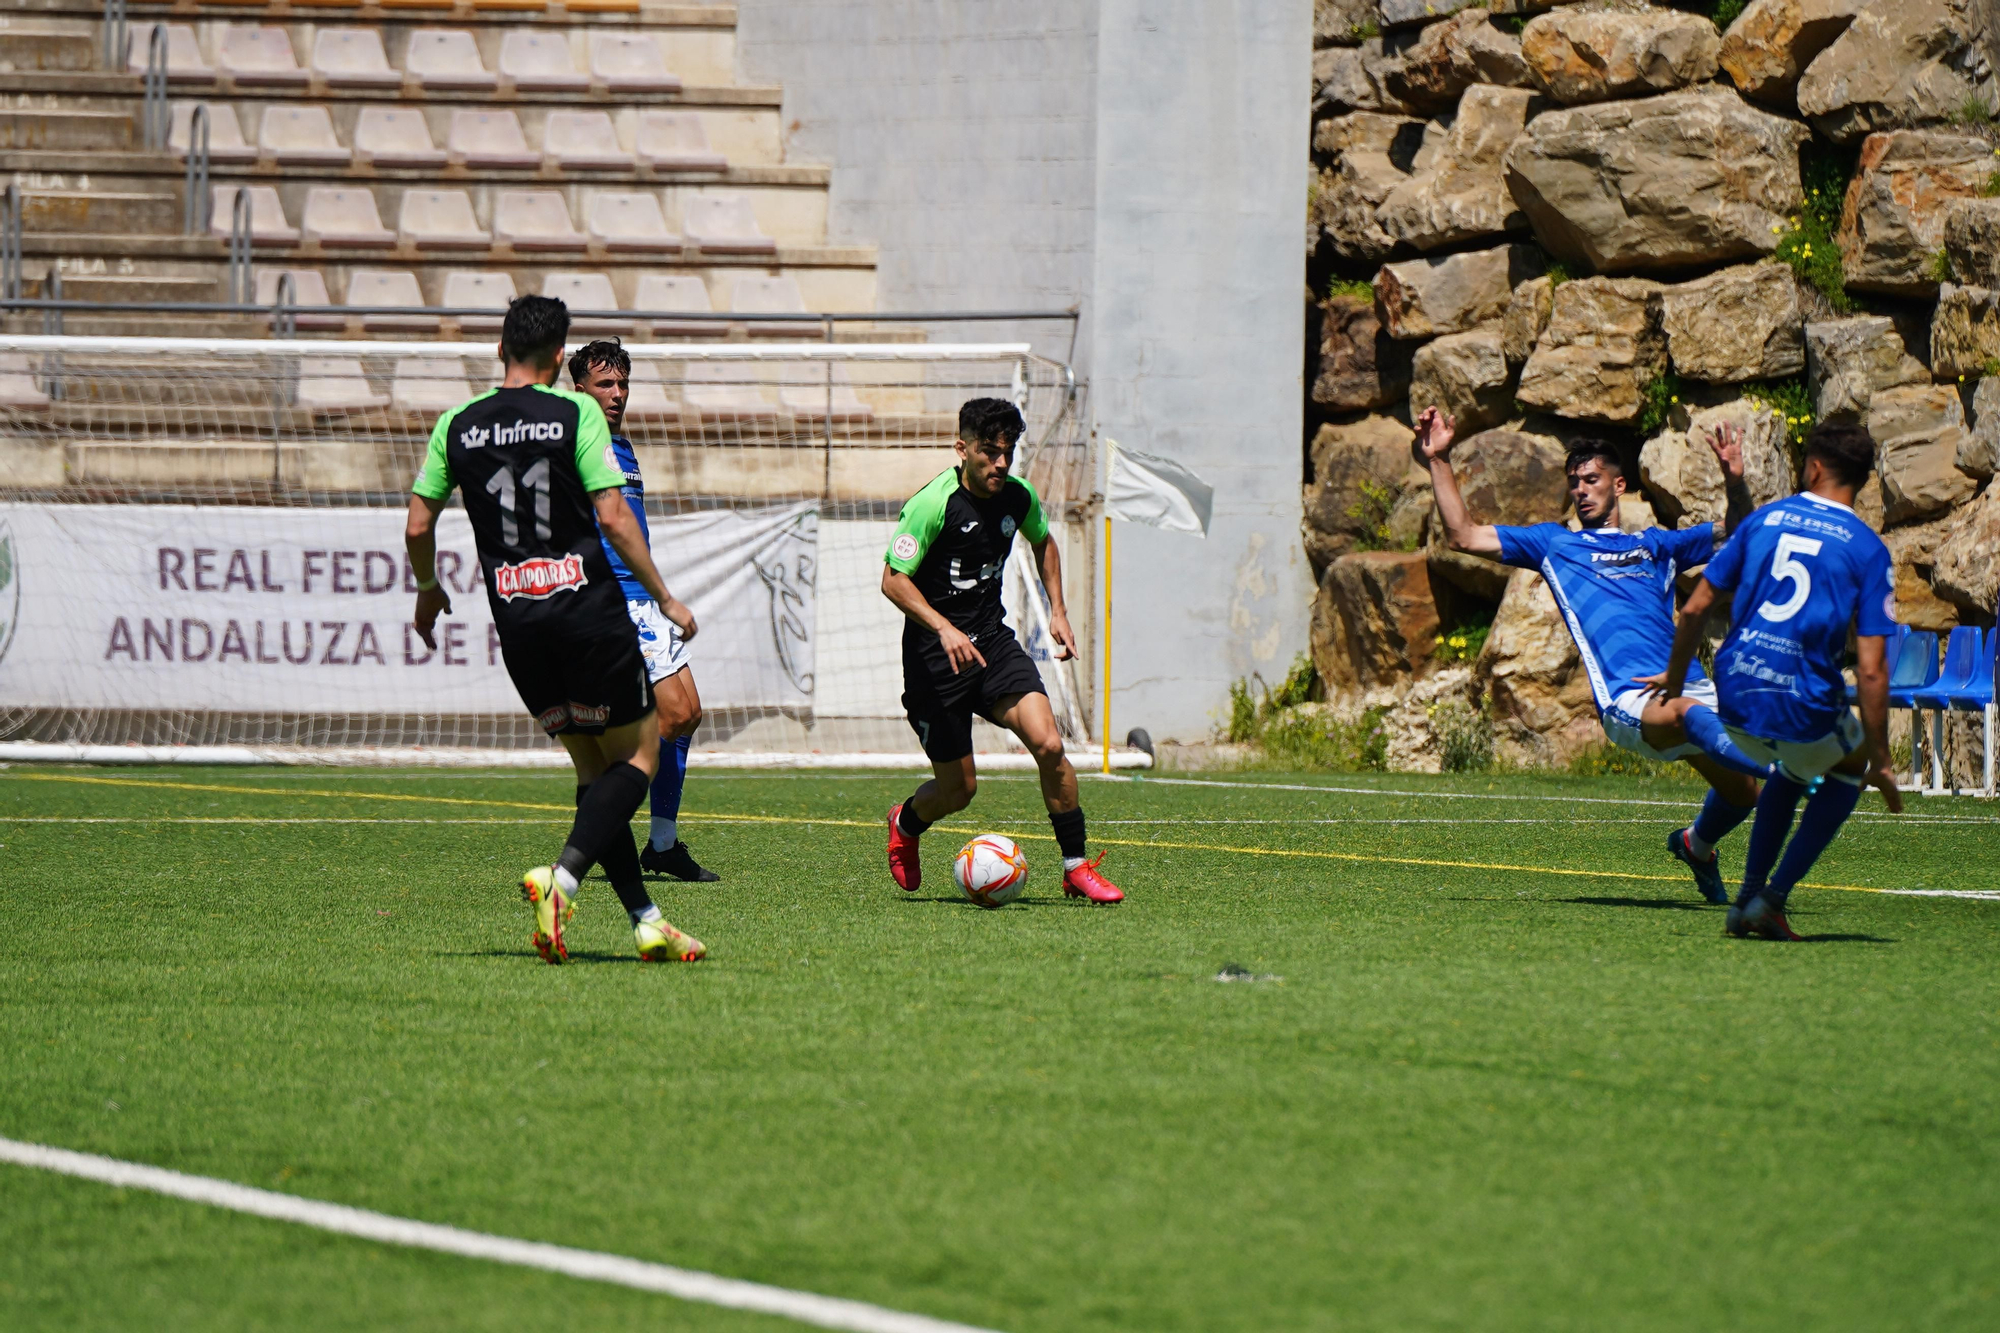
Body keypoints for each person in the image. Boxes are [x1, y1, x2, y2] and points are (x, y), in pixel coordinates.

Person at [404, 296, 707, 965]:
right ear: (561, 354)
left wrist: (428, 590)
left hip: (518, 626)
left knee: (593, 771)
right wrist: (666, 596)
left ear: (501, 347)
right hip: (589, 615)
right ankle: (561, 881)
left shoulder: (457, 423)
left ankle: (646, 920)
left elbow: (418, 525)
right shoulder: (575, 413)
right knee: (643, 751)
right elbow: (616, 517)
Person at [1419, 407, 1770, 904]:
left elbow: (1740, 532)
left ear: (1619, 485)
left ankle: (1697, 846)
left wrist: (1735, 481)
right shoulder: (1554, 544)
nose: (1580, 490)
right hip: (1629, 700)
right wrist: (1439, 459)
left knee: (1741, 796)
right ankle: (1778, 769)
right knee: (1700, 723)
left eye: (1591, 479)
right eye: (1574, 483)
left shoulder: (1657, 546)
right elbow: (1464, 535)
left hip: (1685, 685)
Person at [1653, 423, 1902, 941]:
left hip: (1736, 690)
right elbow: (1874, 669)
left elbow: (1695, 606)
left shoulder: (1765, 520)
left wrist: (1675, 684)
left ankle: (1746, 898)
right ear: (1860, 480)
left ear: (1812, 467)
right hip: (1800, 702)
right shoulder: (1867, 549)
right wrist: (1881, 759)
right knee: (1847, 767)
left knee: (1793, 769)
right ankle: (1771, 897)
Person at [880, 397, 1122, 903]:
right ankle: (905, 821)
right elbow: (893, 581)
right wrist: (944, 628)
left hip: (991, 644)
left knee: (1050, 745)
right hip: (934, 661)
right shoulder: (932, 504)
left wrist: (1057, 608)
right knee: (959, 791)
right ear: (962, 448)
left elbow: (1044, 541)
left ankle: (1075, 867)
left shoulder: (1019, 497)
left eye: (1008, 453)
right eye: (990, 453)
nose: (1001, 464)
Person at [567, 338, 719, 884]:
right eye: (605, 384)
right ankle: (602, 837)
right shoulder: (571, 447)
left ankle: (659, 844)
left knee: (686, 715)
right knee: (667, 719)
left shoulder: (623, 449)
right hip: (612, 604)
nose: (617, 394)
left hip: (642, 602)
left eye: (622, 384)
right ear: (578, 388)